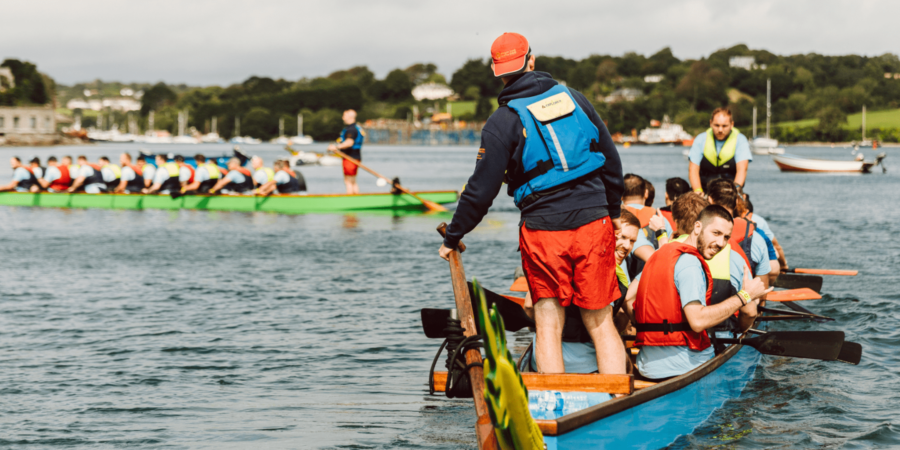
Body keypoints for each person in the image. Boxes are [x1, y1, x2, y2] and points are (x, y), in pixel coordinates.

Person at [439, 32, 625, 376]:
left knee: (548, 322)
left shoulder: (502, 121)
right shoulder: (575, 99)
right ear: (532, 60)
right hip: (593, 222)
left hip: (543, 229)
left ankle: (553, 401)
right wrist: (612, 212)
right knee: (600, 320)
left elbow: (481, 190)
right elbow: (611, 161)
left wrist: (453, 235)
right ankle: (614, 395)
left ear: (498, 72)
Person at [626, 205, 771, 380]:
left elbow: (628, 298)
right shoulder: (690, 264)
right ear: (697, 227)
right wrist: (746, 296)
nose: (721, 243)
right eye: (716, 233)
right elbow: (697, 321)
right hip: (686, 368)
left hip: (647, 367)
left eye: (726, 237)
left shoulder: (658, 255)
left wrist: (648, 325)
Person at [521, 210, 641, 374]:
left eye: (632, 241)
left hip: (546, 360)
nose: (627, 246)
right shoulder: (613, 274)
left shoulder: (559, 260)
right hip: (589, 365)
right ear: (606, 233)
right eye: (622, 237)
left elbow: (529, 306)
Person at [705, 179, 771, 283]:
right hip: (745, 296)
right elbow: (761, 293)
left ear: (709, 200)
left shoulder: (698, 235)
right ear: (736, 202)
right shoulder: (757, 239)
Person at [688, 108, 752, 193]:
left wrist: (735, 193)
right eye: (717, 125)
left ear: (732, 124)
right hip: (704, 190)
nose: (720, 130)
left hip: (730, 192)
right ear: (711, 123)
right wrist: (698, 191)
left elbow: (742, 169)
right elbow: (693, 169)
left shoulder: (740, 140)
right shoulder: (700, 139)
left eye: (724, 126)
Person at [622, 174, 672, 277]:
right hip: (653, 277)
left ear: (621, 195)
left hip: (625, 282)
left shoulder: (617, 217)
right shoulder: (660, 219)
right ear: (646, 193)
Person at [327, 109, 364, 194]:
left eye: (344, 116)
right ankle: (356, 199)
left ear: (350, 117)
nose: (343, 118)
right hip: (356, 157)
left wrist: (335, 147)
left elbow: (349, 142)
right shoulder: (355, 128)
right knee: (353, 181)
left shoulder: (351, 129)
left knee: (348, 181)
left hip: (350, 158)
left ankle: (350, 199)